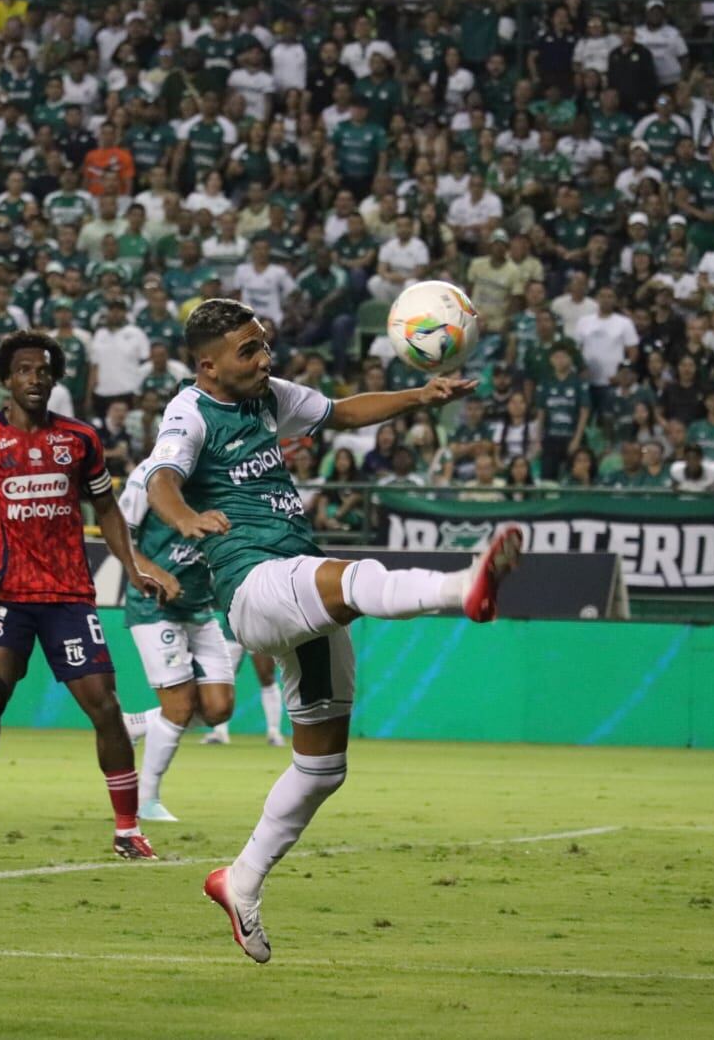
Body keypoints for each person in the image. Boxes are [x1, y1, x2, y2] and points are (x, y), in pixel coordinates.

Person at [144, 300, 522, 962]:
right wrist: (184, 519)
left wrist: (422, 395)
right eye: (249, 351)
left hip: (290, 576)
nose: (266, 359)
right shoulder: (189, 411)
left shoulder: (266, 397)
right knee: (351, 581)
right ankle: (462, 588)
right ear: (208, 366)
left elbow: (342, 411)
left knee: (322, 767)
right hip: (252, 584)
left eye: (265, 346)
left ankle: (240, 881)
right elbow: (162, 480)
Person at [0, 330, 170, 864]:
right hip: (8, 592)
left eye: (43, 371)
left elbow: (105, 508)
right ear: (6, 378)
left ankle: (128, 831)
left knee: (106, 709)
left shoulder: (80, 439)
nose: (34, 379)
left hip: (68, 596)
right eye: (24, 370)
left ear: (55, 378)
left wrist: (132, 565)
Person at [116, 458, 235, 822]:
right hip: (154, 604)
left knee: (219, 708)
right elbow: (117, 534)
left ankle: (134, 725)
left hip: (199, 606)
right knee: (180, 706)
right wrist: (153, 572)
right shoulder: (148, 475)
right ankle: (145, 800)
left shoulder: (226, 473)